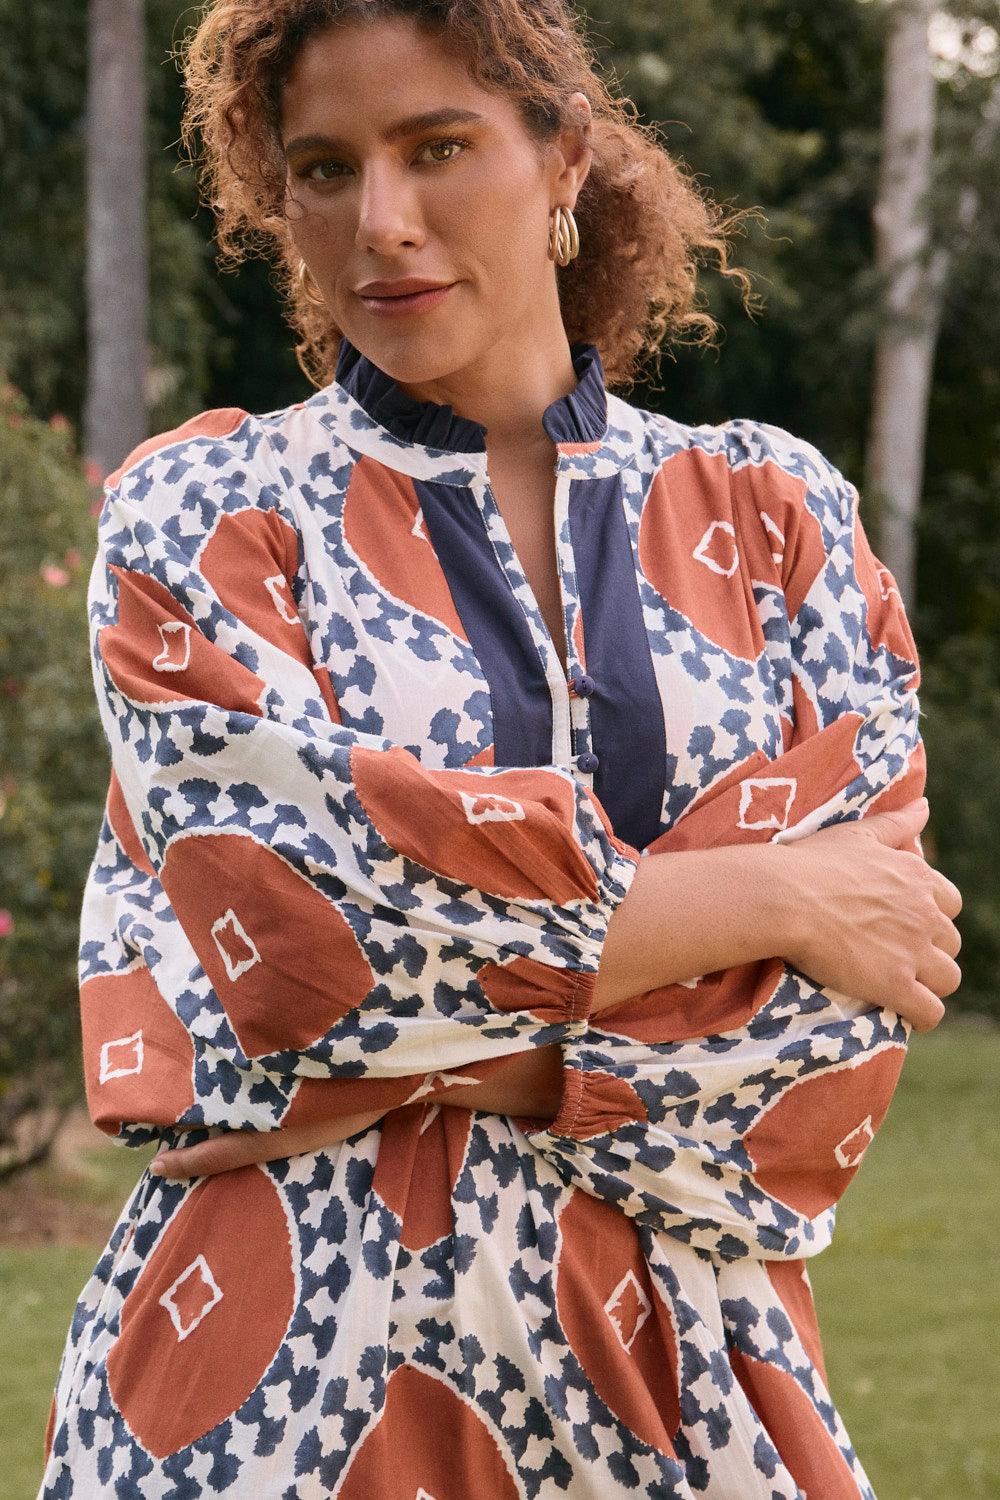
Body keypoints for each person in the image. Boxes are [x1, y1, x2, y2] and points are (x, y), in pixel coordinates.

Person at [40, 1, 962, 1496]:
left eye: (438, 147)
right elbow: (298, 952)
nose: (381, 221)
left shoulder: (778, 521)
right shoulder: (206, 517)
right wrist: (778, 901)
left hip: (691, 1388)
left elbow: (843, 1045)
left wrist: (410, 1049)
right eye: (325, 169)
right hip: (276, 1383)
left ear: (565, 161)